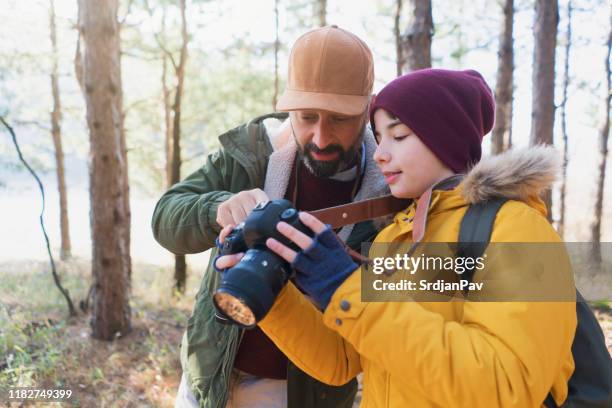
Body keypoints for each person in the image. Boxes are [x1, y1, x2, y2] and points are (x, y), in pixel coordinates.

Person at [217, 68, 578, 407]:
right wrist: (275, 293)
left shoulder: (519, 230)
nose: (381, 154)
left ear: (446, 135)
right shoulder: (396, 236)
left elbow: (506, 385)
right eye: (378, 137)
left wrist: (345, 286)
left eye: (399, 135)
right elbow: (340, 360)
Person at [151, 25, 389, 408]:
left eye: (339, 119)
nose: (321, 137)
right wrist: (217, 208)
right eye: (307, 116)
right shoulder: (252, 152)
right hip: (208, 375)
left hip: (304, 393)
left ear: (368, 108)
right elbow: (164, 218)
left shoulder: (391, 191)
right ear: (288, 106)